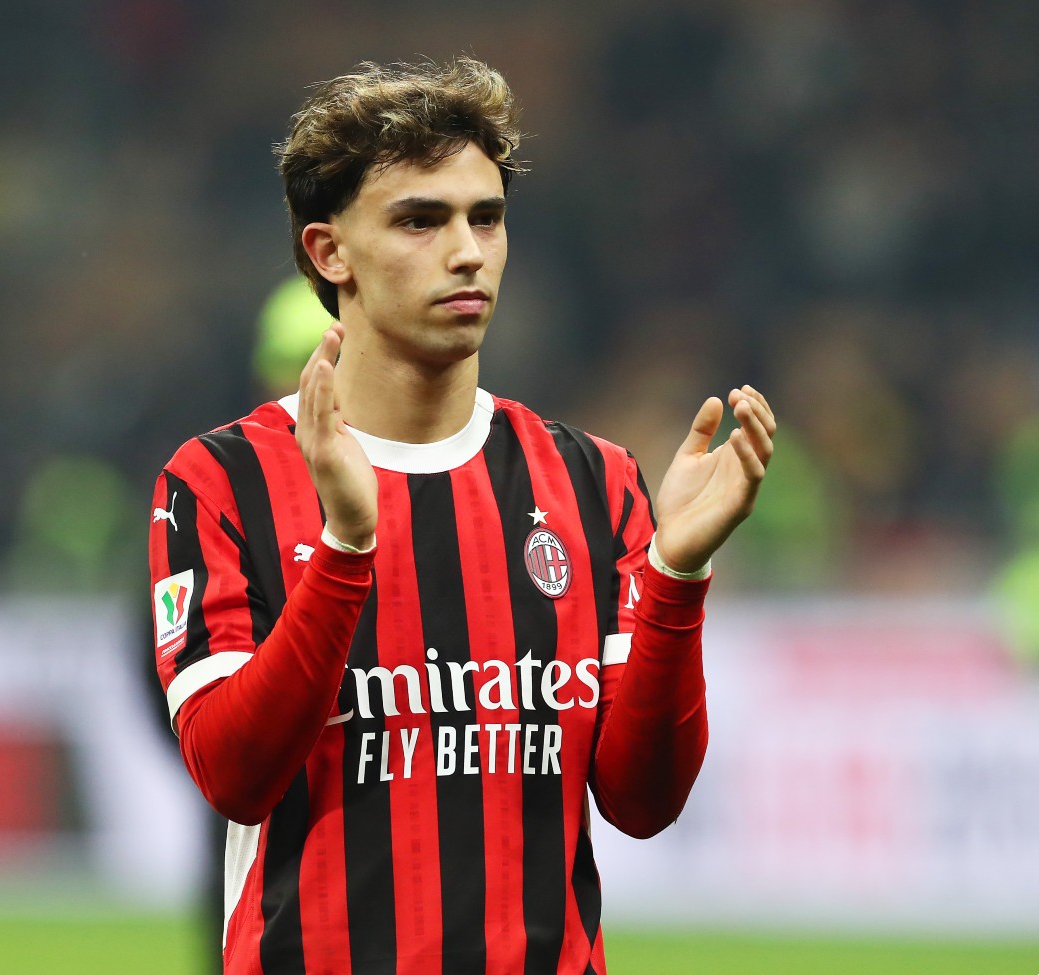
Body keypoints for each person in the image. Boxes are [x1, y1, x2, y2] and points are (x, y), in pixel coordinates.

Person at [149, 57, 775, 975]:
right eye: (420, 220)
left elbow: (642, 801)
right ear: (329, 252)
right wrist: (345, 551)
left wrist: (676, 578)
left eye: (486, 216)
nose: (468, 250)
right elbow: (233, 773)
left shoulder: (590, 481)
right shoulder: (219, 479)